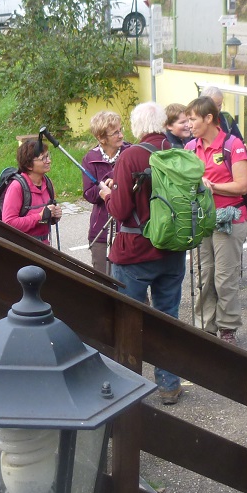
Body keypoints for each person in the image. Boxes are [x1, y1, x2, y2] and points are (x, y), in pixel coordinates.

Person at [106, 102, 187, 404]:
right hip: (174, 249)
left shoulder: (131, 156)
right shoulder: (179, 152)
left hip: (136, 252)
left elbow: (121, 209)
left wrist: (108, 195)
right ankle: (169, 386)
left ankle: (129, 388)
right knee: (168, 318)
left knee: (128, 321)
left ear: (138, 127)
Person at [184, 95, 247, 342]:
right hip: (201, 218)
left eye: (193, 119)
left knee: (224, 277)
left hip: (229, 218)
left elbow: (242, 185)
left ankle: (228, 328)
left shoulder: (233, 145)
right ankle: (205, 328)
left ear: (209, 118)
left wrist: (213, 187)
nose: (189, 124)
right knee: (203, 275)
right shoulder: (190, 148)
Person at [83, 110, 125, 276]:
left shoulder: (131, 152)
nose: (121, 135)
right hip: (101, 229)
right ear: (101, 138)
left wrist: (117, 183)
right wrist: (106, 185)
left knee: (131, 285)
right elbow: (90, 194)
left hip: (127, 229)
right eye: (116, 132)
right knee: (104, 280)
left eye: (121, 130)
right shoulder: (90, 158)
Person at [1, 137, 61, 243]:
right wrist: (39, 216)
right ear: (29, 165)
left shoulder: (48, 183)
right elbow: (8, 223)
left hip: (44, 245)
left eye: (48, 156)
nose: (49, 161)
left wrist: (53, 215)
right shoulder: (17, 187)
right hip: (23, 249)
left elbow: (43, 221)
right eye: (44, 158)